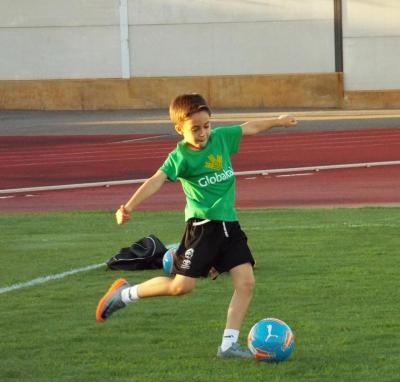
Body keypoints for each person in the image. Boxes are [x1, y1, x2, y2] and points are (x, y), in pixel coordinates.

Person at [96, 93, 298, 359]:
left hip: (229, 226)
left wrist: (279, 121)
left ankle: (228, 346)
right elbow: (156, 180)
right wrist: (129, 207)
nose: (203, 133)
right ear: (179, 129)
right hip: (202, 229)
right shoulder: (180, 157)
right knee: (181, 287)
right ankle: (125, 293)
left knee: (246, 283)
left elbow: (250, 127)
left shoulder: (221, 139)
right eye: (195, 128)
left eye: (206, 126)